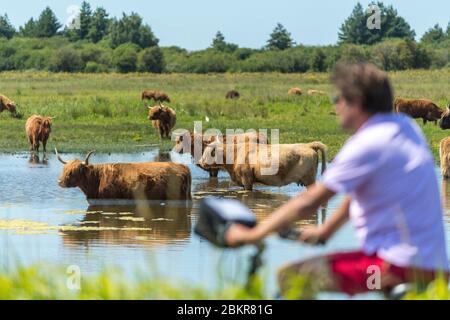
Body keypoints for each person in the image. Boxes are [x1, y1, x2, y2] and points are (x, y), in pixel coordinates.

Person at [225, 62, 449, 297]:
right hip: (436, 267)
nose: (337, 105)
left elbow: (309, 201)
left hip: (396, 267)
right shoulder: (406, 129)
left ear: (357, 102)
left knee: (291, 277)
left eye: (340, 98)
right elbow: (361, 192)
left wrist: (251, 234)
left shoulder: (365, 143)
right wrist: (326, 230)